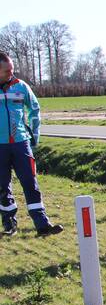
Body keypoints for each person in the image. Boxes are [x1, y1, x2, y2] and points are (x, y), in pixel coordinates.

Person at [0, 51, 63, 237]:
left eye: (11, 69)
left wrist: (34, 135)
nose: (10, 73)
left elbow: (34, 109)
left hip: (21, 144)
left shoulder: (21, 87)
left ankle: (42, 225)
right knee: (3, 186)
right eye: (6, 71)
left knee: (30, 182)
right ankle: (9, 224)